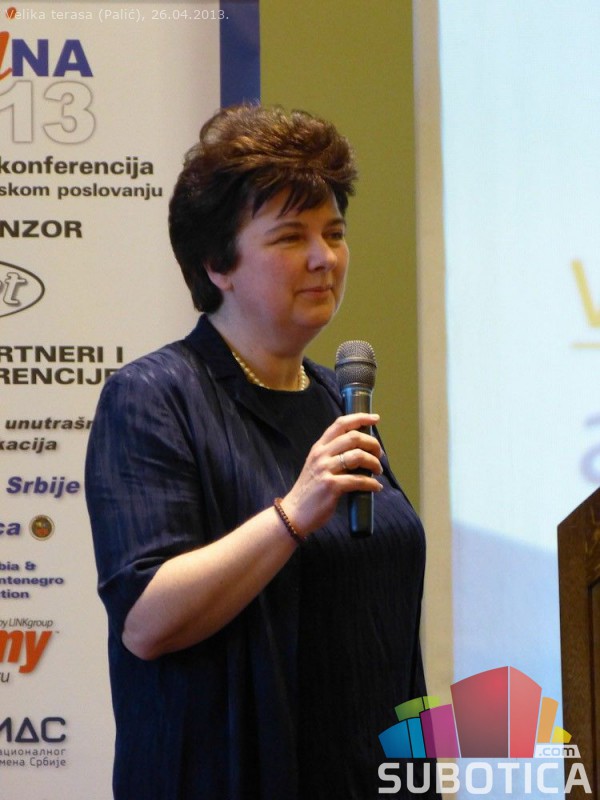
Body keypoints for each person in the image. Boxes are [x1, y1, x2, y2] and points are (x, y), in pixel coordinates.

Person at [85, 104, 436, 799]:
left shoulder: (339, 398)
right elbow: (147, 622)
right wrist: (292, 514)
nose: (324, 257)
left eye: (334, 233)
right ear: (218, 263)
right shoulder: (153, 398)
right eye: (290, 237)